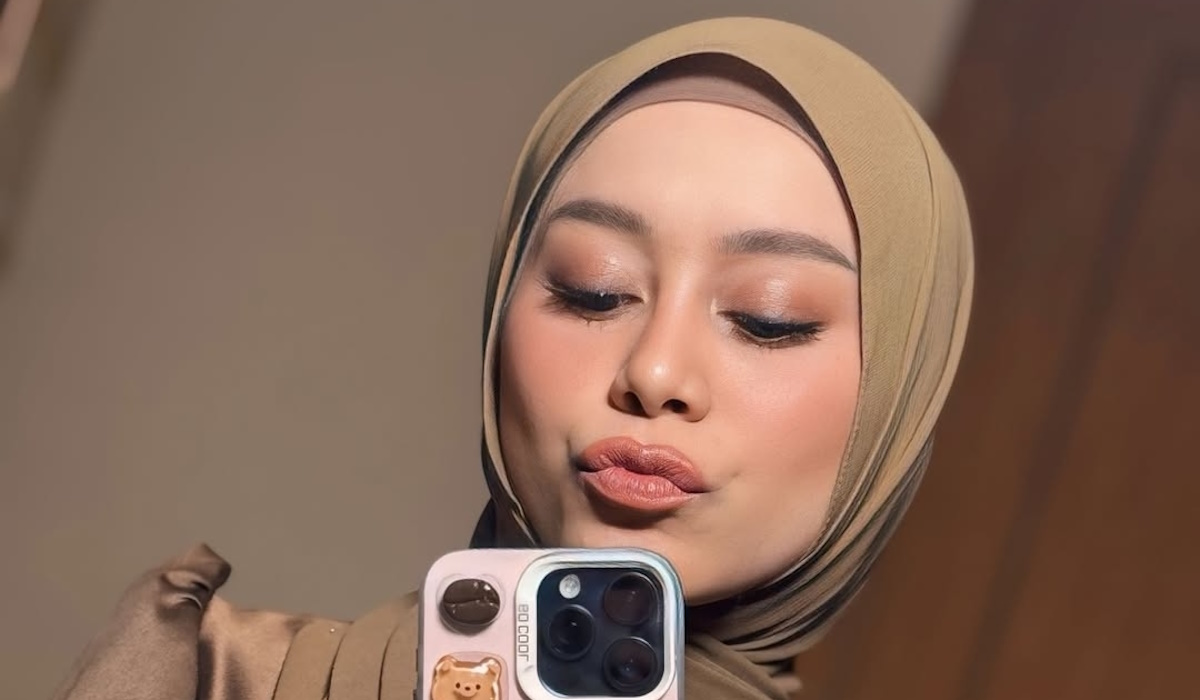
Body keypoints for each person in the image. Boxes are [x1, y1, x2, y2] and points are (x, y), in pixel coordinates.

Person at [49, 16, 973, 700]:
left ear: (898, 403)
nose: (654, 373)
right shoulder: (197, 678)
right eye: (593, 289)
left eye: (768, 320)